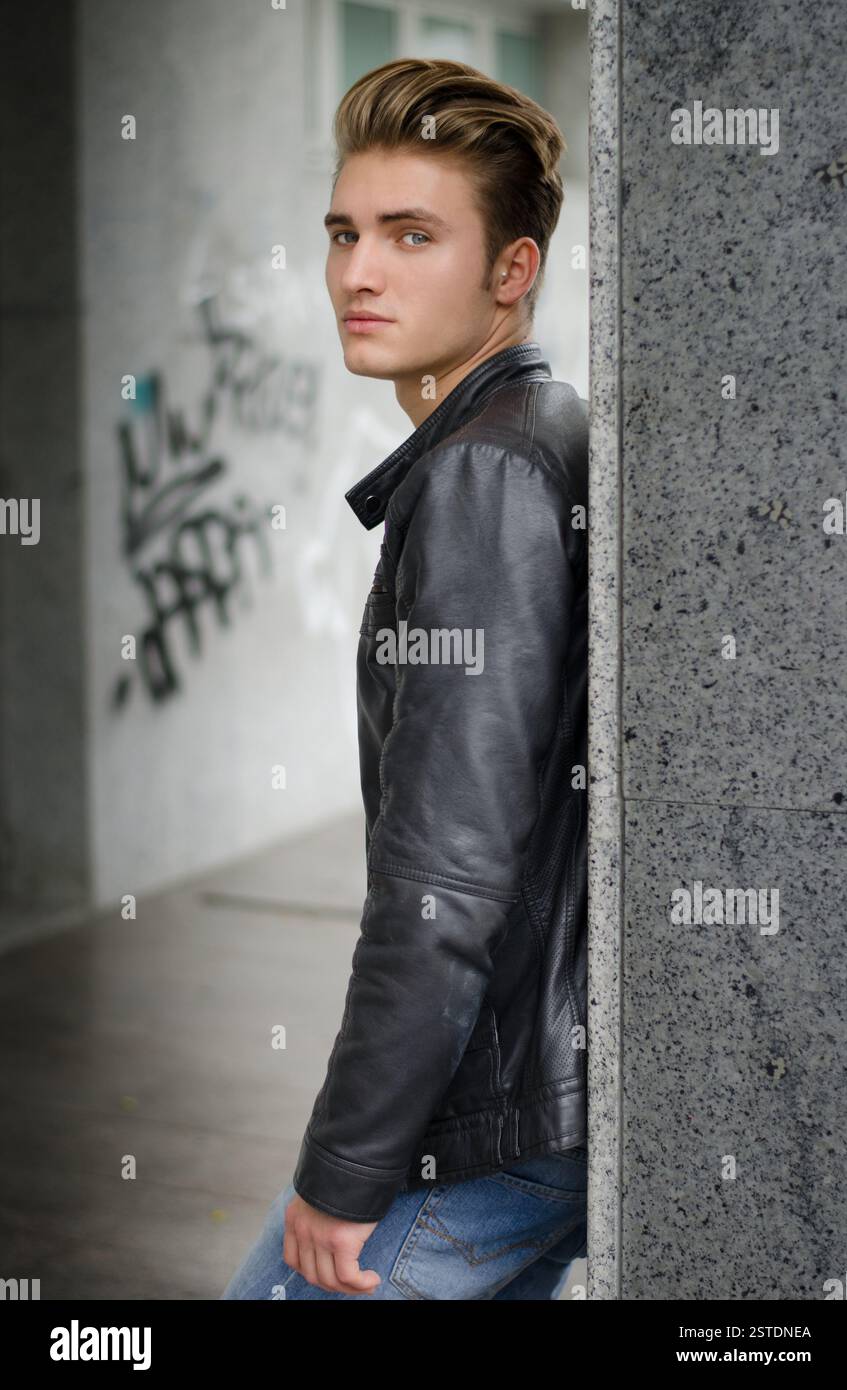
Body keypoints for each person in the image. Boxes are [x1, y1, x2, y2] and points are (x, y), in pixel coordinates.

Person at [221, 56, 589, 1302]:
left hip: (495, 1125)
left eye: (411, 234)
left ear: (511, 271)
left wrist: (344, 1167)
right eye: (344, 232)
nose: (357, 273)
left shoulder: (485, 477)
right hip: (543, 1103)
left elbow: (449, 875)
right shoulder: (526, 438)